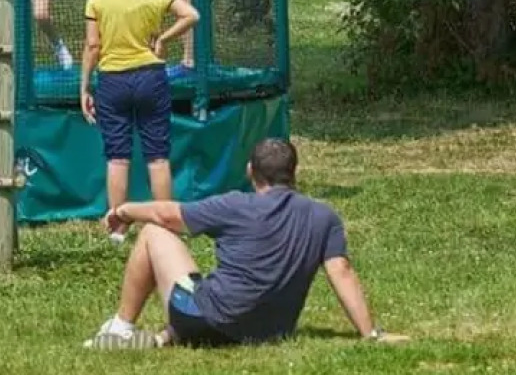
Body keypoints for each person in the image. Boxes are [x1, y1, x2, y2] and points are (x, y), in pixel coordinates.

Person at [86, 138, 405, 349]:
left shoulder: (236, 205)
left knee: (154, 233)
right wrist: (370, 333)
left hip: (209, 319)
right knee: (209, 294)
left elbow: (166, 214)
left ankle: (122, 327)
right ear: (294, 173)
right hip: (269, 332)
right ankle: (164, 337)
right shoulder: (324, 217)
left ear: (251, 171)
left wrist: (123, 210)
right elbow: (343, 271)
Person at [81, 0, 199, 231]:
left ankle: (118, 227)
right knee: (157, 157)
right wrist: (164, 40)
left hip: (112, 81)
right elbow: (192, 15)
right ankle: (166, 225)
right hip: (150, 77)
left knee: (117, 158)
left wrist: (83, 87)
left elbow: (93, 46)